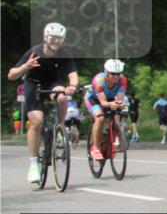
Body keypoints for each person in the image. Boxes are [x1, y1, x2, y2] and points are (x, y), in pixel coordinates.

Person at [7, 23, 79, 184]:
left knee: (61, 97)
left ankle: (60, 128)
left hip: (52, 83)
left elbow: (72, 74)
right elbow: (11, 75)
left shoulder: (64, 53)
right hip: (32, 84)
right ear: (45, 38)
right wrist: (26, 66)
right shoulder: (35, 52)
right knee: (37, 122)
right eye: (52, 38)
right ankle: (33, 165)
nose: (56, 41)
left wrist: (72, 86)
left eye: (59, 39)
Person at [84, 59, 129, 161]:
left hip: (110, 98)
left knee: (117, 115)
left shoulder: (122, 80)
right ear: (106, 73)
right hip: (94, 99)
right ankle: (95, 147)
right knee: (100, 118)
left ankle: (110, 140)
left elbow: (120, 99)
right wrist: (111, 104)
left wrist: (120, 105)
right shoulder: (99, 80)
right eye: (113, 74)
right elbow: (103, 103)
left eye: (118, 74)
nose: (116, 77)